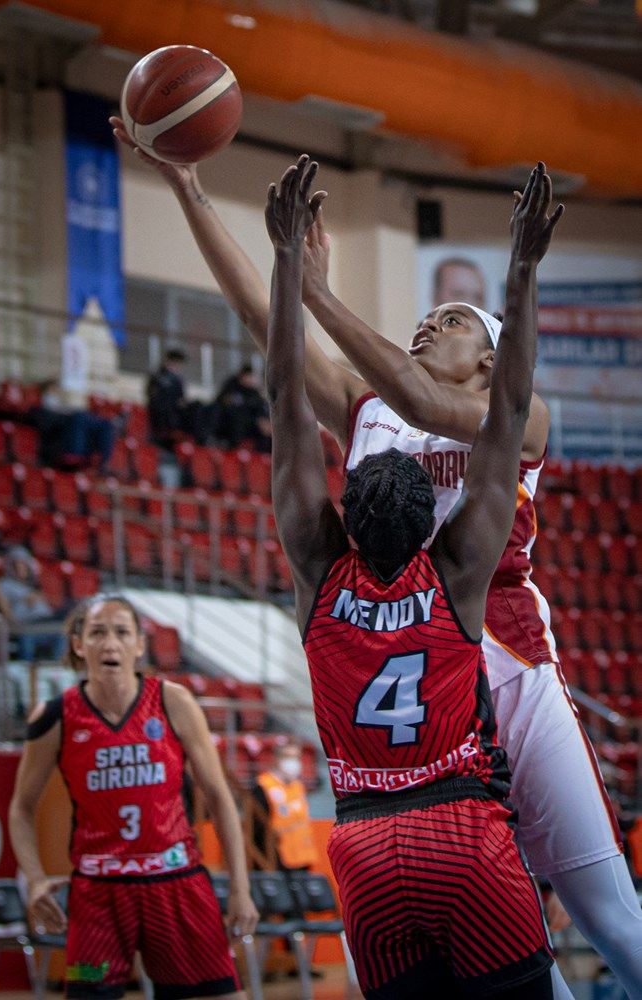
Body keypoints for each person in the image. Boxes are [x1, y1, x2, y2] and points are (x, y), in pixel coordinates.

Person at [109, 118, 642, 996]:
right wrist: (189, 189)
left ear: (494, 350)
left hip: (504, 653)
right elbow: (262, 326)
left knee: (606, 906)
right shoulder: (366, 402)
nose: (430, 320)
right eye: (427, 315)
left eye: (455, 318)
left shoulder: (522, 411)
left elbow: (421, 398)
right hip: (403, 654)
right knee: (474, 932)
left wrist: (315, 288)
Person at [264, 154, 560, 997]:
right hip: (459, 828)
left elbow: (285, 397)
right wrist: (523, 269)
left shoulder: (320, 579)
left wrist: (291, 267)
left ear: (342, 517)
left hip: (361, 843)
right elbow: (505, 415)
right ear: (434, 520)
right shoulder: (456, 573)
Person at [8, 594, 258, 1000]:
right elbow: (20, 808)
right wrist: (35, 879)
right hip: (97, 897)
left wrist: (242, 890)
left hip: (176, 882)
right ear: (78, 644)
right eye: (97, 633)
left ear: (140, 645)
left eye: (122, 632)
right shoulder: (54, 715)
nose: (110, 643)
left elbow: (218, 795)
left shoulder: (172, 701)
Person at [251, 741, 318, 871]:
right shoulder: (264, 786)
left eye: (296, 757)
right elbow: (258, 828)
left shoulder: (298, 786)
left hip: (302, 858)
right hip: (277, 860)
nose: (293, 762)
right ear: (276, 758)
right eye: (287, 756)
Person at [31, 379, 115, 474]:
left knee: (105, 426)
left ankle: (104, 463)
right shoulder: (43, 402)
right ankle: (74, 455)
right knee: (80, 416)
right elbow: (51, 415)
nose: (57, 390)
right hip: (63, 424)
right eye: (54, 387)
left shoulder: (58, 400)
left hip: (70, 422)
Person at [0, 546, 65, 662]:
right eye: (19, 564)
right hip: (25, 626)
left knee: (62, 633)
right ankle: (26, 669)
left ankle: (58, 670)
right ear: (11, 566)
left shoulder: (33, 585)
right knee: (27, 638)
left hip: (44, 622)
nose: (22, 568)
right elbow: (5, 610)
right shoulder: (5, 585)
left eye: (24, 564)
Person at [146, 347, 209, 447]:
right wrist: (175, 402)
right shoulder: (158, 376)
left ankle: (201, 438)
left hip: (176, 411)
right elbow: (155, 398)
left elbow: (181, 397)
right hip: (166, 413)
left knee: (199, 406)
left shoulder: (177, 378)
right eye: (175, 362)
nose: (177, 366)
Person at [210, 365, 272, 453]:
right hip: (231, 423)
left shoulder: (254, 393)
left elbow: (258, 408)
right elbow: (222, 403)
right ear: (242, 376)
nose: (251, 380)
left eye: (253, 377)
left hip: (251, 424)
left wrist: (263, 421)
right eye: (249, 376)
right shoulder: (231, 386)